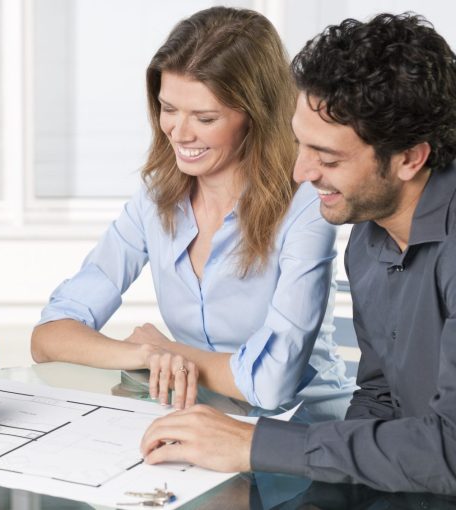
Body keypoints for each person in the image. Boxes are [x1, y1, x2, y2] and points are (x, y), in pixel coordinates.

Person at [140, 12, 456, 494]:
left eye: (328, 158)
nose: (301, 173)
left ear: (411, 158)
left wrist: (254, 444)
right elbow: (379, 402)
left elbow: (449, 451)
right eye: (298, 146)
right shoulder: (370, 239)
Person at [31, 6, 354, 415]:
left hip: (304, 440)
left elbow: (272, 384)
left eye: (204, 117)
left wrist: (174, 352)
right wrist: (147, 355)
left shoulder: (307, 205)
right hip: (203, 425)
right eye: (169, 109)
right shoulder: (156, 198)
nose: (179, 133)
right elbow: (49, 337)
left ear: (256, 116)